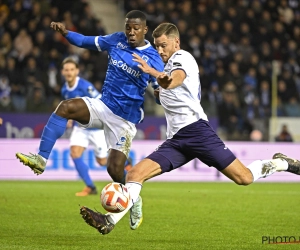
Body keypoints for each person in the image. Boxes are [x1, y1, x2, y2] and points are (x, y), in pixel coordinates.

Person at [79, 23, 300, 235]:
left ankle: (281, 162)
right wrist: (157, 91)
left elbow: (173, 81)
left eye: (163, 45)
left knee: (244, 178)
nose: (160, 50)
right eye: (156, 45)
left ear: (176, 42)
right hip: (176, 140)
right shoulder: (164, 66)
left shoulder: (183, 58)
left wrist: (152, 74)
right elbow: (168, 89)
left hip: (197, 132)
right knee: (135, 174)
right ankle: (108, 221)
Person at [16, 10, 164, 230]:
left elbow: (160, 89)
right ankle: (41, 159)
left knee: (114, 171)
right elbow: (86, 41)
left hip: (124, 121)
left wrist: (160, 93)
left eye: (136, 28)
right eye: (128, 28)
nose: (131, 32)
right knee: (65, 107)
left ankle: (134, 199)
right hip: (103, 105)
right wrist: (67, 33)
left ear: (145, 30)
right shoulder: (116, 40)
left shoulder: (152, 57)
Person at [60, 57, 108, 196]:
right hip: (81, 127)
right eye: (66, 70)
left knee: (102, 161)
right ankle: (90, 187)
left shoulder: (85, 86)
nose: (69, 72)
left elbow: (100, 100)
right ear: (62, 72)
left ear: (77, 71)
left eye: (71, 70)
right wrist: (69, 118)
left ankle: (125, 169)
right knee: (74, 153)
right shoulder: (65, 90)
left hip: (96, 127)